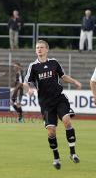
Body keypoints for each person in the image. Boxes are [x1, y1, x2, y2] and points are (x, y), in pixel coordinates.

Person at [23, 40, 82, 170]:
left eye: (41, 47)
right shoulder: (33, 66)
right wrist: (29, 90)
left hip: (59, 98)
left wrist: (75, 82)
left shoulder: (54, 63)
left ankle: (72, 153)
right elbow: (26, 82)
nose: (39, 49)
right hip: (46, 103)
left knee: (67, 120)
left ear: (47, 49)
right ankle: (56, 157)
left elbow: (63, 76)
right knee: (51, 131)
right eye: (37, 48)